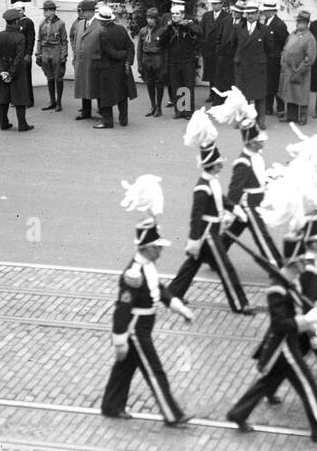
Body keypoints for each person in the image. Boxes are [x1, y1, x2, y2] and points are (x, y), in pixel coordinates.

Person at [225, 244, 317, 447]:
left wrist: (312, 326)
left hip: (290, 342)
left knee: (268, 381)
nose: (306, 263)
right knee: (309, 387)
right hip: (284, 346)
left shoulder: (291, 282)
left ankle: (238, 413)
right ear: (294, 263)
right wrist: (306, 321)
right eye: (303, 261)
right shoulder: (277, 290)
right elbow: (280, 324)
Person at [100, 212, 195, 428]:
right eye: (157, 246)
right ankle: (172, 415)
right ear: (147, 248)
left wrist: (180, 309)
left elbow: (159, 290)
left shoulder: (147, 267)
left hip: (142, 327)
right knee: (155, 371)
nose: (161, 250)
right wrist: (120, 340)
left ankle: (111, 406)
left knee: (123, 369)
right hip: (136, 330)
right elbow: (122, 310)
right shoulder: (134, 274)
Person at [167, 112, 252, 314]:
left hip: (211, 233)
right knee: (226, 269)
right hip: (208, 235)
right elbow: (195, 219)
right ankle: (240, 304)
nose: (221, 164)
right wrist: (194, 241)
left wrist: (235, 209)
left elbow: (221, 200)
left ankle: (173, 293)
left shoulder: (211, 182)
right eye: (218, 163)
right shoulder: (202, 188)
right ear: (211, 165)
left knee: (191, 266)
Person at [90, 3, 133, 129]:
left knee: (106, 96)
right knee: (122, 95)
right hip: (121, 68)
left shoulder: (103, 33)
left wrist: (123, 55)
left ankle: (107, 121)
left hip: (107, 68)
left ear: (102, 21)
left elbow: (111, 53)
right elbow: (130, 46)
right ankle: (123, 119)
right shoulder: (121, 29)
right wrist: (128, 60)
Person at [0, 7, 34, 132]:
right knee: (20, 97)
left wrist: (2, 71)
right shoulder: (20, 37)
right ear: (16, 22)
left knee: (3, 98)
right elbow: (19, 57)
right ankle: (22, 124)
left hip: (2, 70)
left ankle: (3, 123)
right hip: (17, 72)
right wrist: (11, 72)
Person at [232, 1, 270, 128]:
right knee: (241, 96)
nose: (250, 16)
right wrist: (238, 58)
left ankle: (260, 120)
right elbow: (232, 45)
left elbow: (269, 48)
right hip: (242, 66)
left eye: (253, 13)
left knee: (259, 95)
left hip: (257, 67)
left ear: (258, 15)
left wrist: (260, 58)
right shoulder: (238, 28)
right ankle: (241, 119)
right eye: (248, 13)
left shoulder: (264, 29)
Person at [278, 9, 317, 124]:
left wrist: (300, 70)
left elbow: (310, 58)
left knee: (301, 94)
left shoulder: (309, 38)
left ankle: (302, 117)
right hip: (289, 69)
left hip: (300, 70)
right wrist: (283, 58)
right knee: (290, 93)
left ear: (306, 24)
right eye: (297, 21)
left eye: (300, 22)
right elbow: (285, 47)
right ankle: (291, 116)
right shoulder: (293, 33)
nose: (297, 23)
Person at [165, 0, 202, 118]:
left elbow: (200, 32)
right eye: (173, 13)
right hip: (174, 59)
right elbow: (161, 39)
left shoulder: (189, 21)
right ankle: (179, 110)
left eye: (178, 13)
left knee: (187, 86)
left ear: (182, 13)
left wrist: (188, 25)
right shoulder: (169, 23)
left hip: (187, 59)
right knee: (176, 85)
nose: (175, 16)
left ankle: (187, 111)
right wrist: (168, 27)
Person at [136, 6, 170, 118]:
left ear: (156, 19)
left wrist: (165, 65)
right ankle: (153, 106)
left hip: (157, 59)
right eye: (148, 18)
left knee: (159, 84)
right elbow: (139, 49)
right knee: (149, 84)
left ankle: (159, 107)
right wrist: (140, 64)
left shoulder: (162, 31)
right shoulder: (143, 31)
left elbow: (165, 49)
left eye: (152, 18)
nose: (149, 20)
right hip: (146, 60)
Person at [36, 0, 68, 112]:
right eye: (44, 10)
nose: (44, 12)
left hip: (56, 50)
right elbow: (39, 39)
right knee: (49, 77)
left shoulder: (60, 23)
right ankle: (52, 101)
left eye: (46, 10)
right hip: (45, 50)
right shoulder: (42, 23)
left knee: (58, 77)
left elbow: (64, 41)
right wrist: (38, 53)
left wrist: (64, 55)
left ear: (52, 11)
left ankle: (59, 102)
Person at [70, 0, 99, 120]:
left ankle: (103, 109)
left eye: (83, 11)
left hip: (94, 60)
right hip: (81, 60)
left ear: (89, 11)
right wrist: (74, 55)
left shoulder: (99, 23)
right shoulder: (80, 23)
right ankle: (86, 111)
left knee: (96, 86)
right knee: (83, 86)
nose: (81, 13)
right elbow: (75, 38)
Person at [261, 1, 289, 117]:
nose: (263, 13)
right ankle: (268, 107)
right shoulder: (266, 22)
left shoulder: (279, 24)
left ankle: (280, 107)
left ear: (271, 11)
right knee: (268, 83)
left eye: (265, 11)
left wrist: (281, 55)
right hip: (267, 58)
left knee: (277, 84)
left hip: (276, 59)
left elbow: (285, 41)